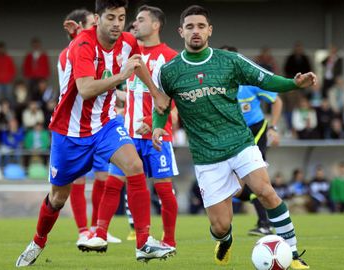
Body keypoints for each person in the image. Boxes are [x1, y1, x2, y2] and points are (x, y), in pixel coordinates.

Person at [152, 5, 313, 269]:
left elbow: (267, 80)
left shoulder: (229, 61)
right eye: (190, 26)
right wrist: (158, 125)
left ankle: (293, 255)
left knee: (266, 191)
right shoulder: (169, 71)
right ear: (181, 31)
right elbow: (162, 104)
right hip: (206, 156)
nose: (196, 31)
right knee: (220, 225)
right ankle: (224, 239)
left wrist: (294, 83)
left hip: (240, 143)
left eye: (201, 26)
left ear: (210, 30)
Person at [15, 0, 173, 267]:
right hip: (70, 133)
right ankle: (38, 240)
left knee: (134, 165)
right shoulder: (82, 45)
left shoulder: (126, 42)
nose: (117, 24)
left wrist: (156, 92)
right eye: (110, 17)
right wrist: (120, 76)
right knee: (57, 198)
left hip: (106, 124)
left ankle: (143, 242)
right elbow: (86, 89)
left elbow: (137, 63)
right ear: (98, 18)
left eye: (121, 18)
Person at [96, 5, 179, 248]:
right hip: (128, 135)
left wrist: (154, 122)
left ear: (156, 25)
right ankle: (99, 235)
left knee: (164, 191)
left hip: (157, 136)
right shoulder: (129, 55)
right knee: (113, 185)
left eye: (140, 20)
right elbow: (129, 93)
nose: (134, 24)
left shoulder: (170, 57)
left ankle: (169, 241)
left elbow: (175, 100)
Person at [58, 7, 122, 249]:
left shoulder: (100, 52)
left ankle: (97, 229)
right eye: (91, 24)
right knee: (77, 180)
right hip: (76, 126)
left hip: (99, 124)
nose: (96, 28)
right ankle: (82, 231)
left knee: (103, 177)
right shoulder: (71, 52)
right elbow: (82, 87)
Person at [220, 45, 283, 237]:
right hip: (233, 133)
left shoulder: (249, 81)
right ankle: (259, 214)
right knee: (237, 183)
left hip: (255, 131)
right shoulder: (217, 84)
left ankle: (265, 223)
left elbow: (277, 101)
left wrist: (273, 127)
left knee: (253, 176)